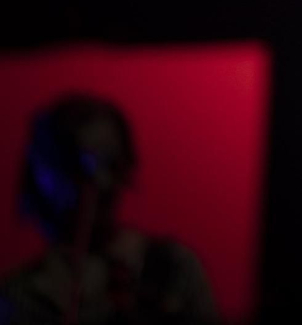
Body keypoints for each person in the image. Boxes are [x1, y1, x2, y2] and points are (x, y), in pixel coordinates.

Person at [1, 96, 216, 325]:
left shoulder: (172, 269)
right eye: (79, 167)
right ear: (45, 173)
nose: (100, 184)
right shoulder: (16, 298)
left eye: (112, 164)